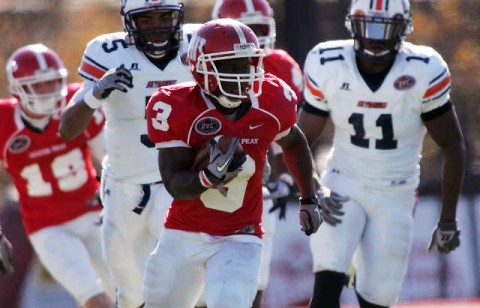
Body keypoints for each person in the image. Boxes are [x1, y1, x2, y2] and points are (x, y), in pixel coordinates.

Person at [142, 18, 322, 308]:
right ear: (201, 66)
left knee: (230, 301)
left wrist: (308, 198)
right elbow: (175, 183)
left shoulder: (271, 98)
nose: (240, 74)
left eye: (245, 64)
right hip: (183, 232)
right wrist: (209, 176)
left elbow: (294, 141)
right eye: (228, 66)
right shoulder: (175, 106)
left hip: (240, 237)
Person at [297, 0, 466, 307]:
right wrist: (313, 189)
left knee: (378, 297)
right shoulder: (328, 62)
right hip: (343, 182)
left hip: (396, 191)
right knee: (327, 280)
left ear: (402, 31)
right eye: (368, 27)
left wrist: (447, 219)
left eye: (384, 29)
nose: (375, 38)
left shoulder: (423, 69)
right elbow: (299, 139)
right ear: (353, 27)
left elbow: (453, 145)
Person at [59, 0, 194, 306]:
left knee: (183, 278)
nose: (158, 25)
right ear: (130, 23)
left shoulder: (197, 44)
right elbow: (67, 128)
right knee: (130, 290)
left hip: (178, 182)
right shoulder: (106, 53)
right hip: (124, 187)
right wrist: (95, 93)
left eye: (165, 17)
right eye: (147, 19)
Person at [0, 44, 114, 308]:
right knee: (95, 299)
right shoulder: (4, 120)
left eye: (52, 82)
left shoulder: (76, 104)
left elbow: (110, 158)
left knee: (129, 293)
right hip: (48, 228)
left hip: (93, 214)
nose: (47, 92)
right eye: (37, 85)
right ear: (18, 88)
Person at [209, 1, 305, 306]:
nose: (255, 37)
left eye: (260, 29)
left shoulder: (282, 67)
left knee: (255, 275)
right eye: (247, 29)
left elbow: (289, 136)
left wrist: (286, 180)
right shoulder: (198, 63)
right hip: (204, 180)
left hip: (257, 182)